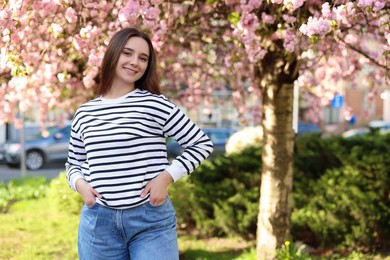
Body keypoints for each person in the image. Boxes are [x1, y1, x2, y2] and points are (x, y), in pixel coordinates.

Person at [65, 27, 214, 260]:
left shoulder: (155, 104)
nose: (135, 62)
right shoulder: (84, 113)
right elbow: (74, 163)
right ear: (113, 54)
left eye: (143, 58)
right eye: (127, 53)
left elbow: (201, 144)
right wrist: (80, 185)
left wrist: (166, 177)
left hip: (150, 220)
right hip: (98, 223)